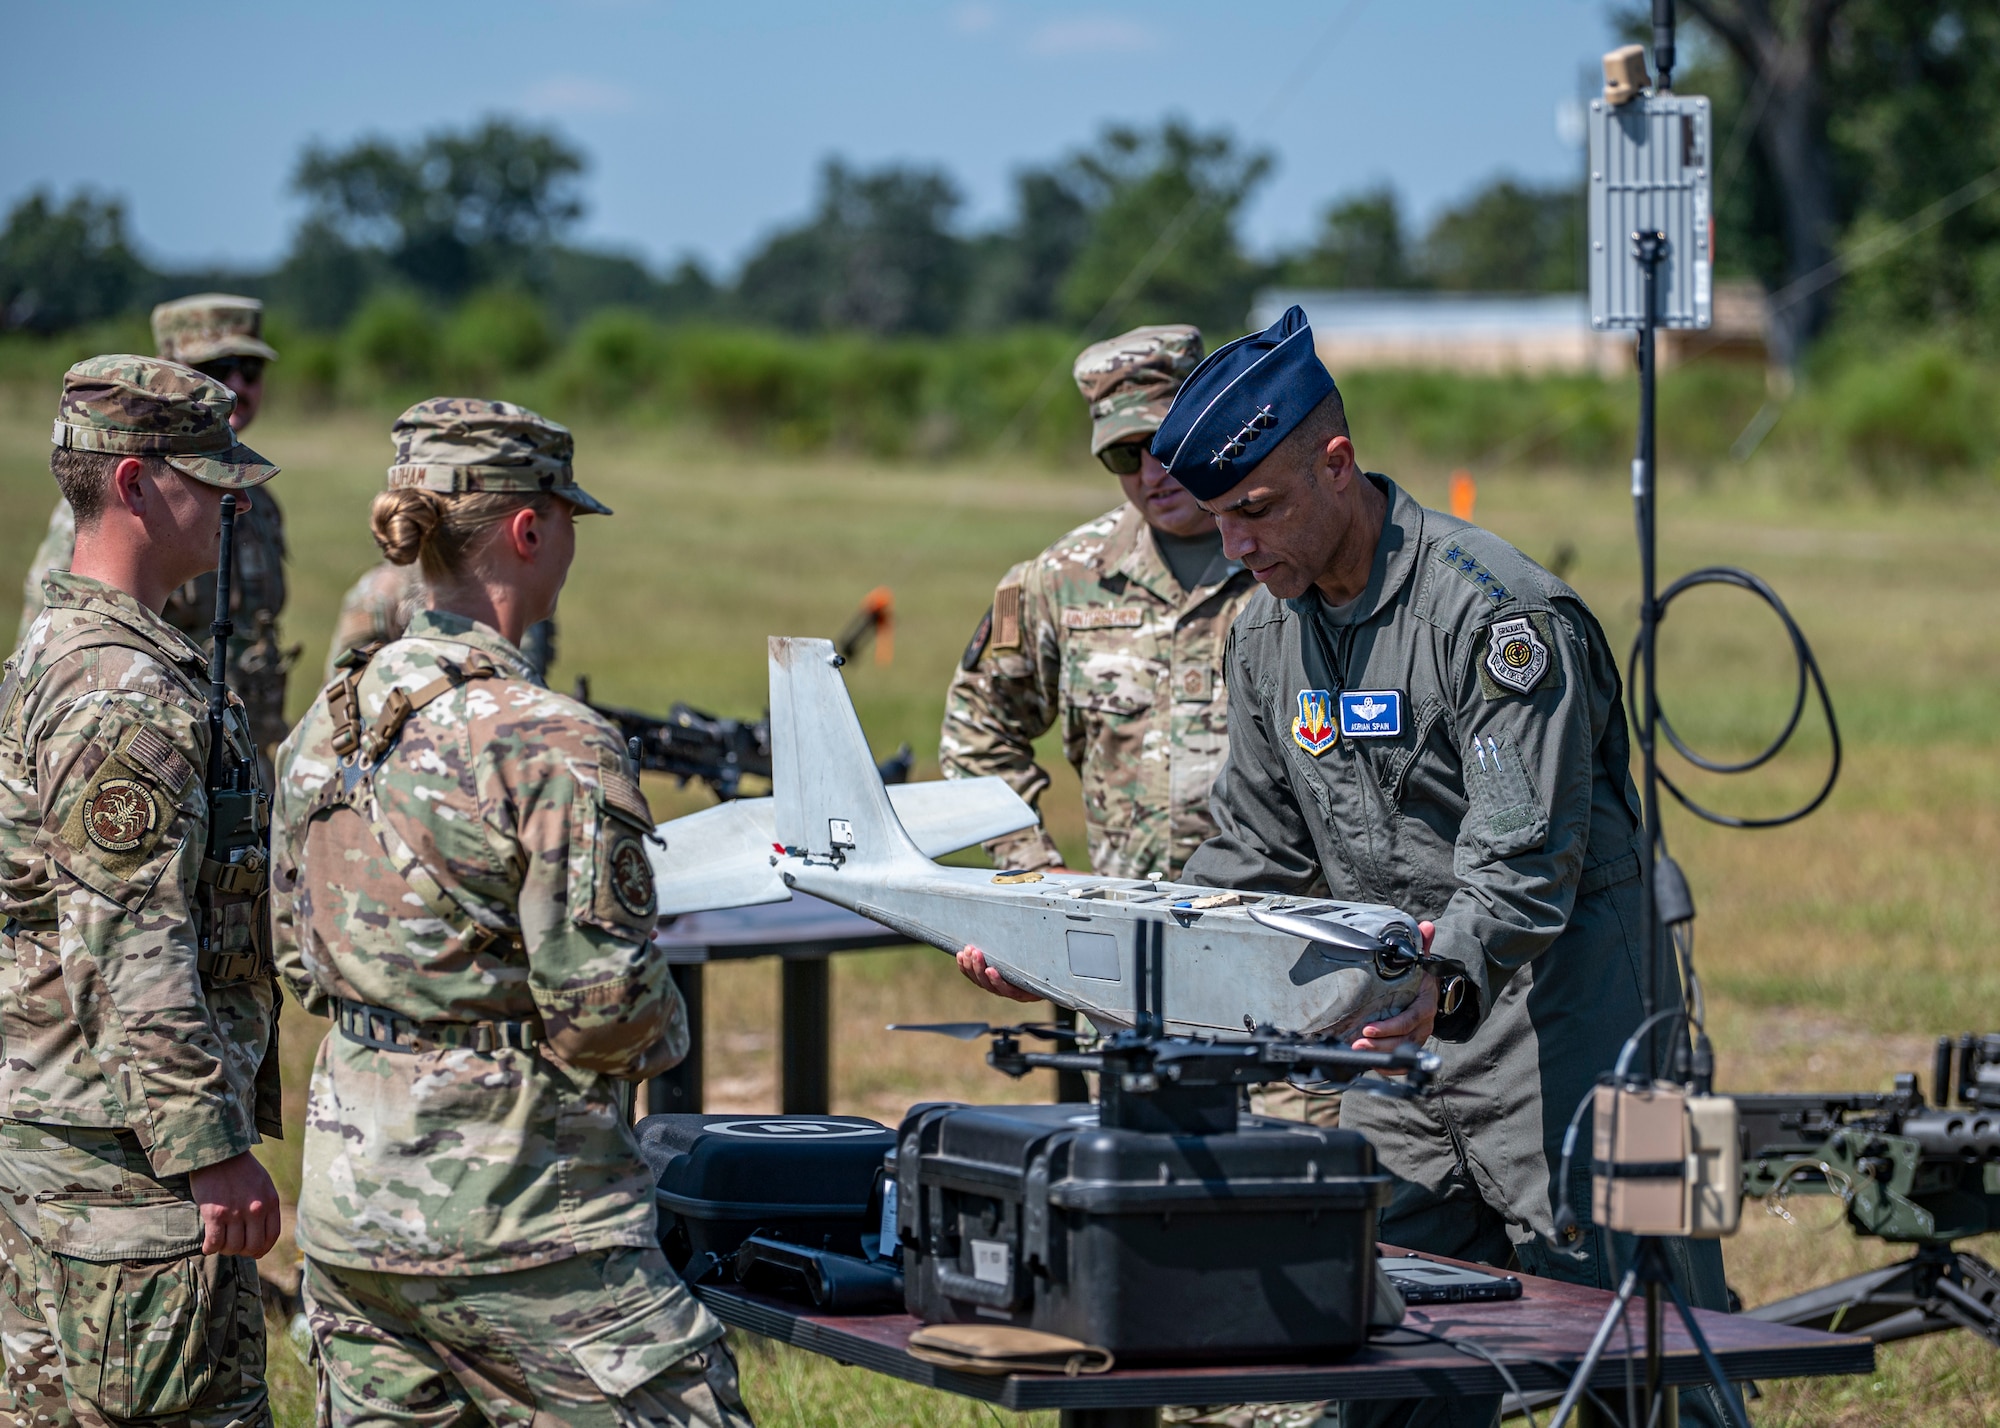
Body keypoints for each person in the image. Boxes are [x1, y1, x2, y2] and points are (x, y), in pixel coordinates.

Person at [960, 306, 1730, 1428]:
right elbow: (1253, 856)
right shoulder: (1270, 631)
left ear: (1336, 464)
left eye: (1257, 512)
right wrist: (1091, 957)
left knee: (1647, 1359)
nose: (1235, 548)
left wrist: (1436, 978)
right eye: (1218, 520)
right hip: (1395, 1052)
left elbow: (1522, 864)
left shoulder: (1499, 616)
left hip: (1583, 1034)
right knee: (1382, 1362)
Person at [270, 398, 751, 1428]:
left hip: (352, 1202)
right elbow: (608, 1011)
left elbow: (297, 957)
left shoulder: (330, 719)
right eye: (567, 517)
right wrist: (666, 1027)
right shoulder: (551, 740)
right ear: (530, 530)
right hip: (523, 1212)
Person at [0, 356, 284, 1428]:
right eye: (207, 477)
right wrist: (209, 1153)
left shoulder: (60, 648)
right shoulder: (122, 691)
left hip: (62, 1144)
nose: (233, 501)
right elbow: (133, 947)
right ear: (131, 485)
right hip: (129, 1180)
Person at [940, 324, 1257, 881]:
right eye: (1122, 456)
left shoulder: (1285, 560)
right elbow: (976, 731)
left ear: (1208, 425)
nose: (1151, 474)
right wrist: (1032, 866)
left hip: (1277, 931)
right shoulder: (1061, 579)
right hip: (1125, 930)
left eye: (1165, 444)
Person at [15, 295, 296, 769]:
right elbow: (60, 664)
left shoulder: (262, 506)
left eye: (250, 369)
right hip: (137, 746)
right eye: (216, 367)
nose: (235, 386)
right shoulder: (104, 518)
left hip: (216, 758)